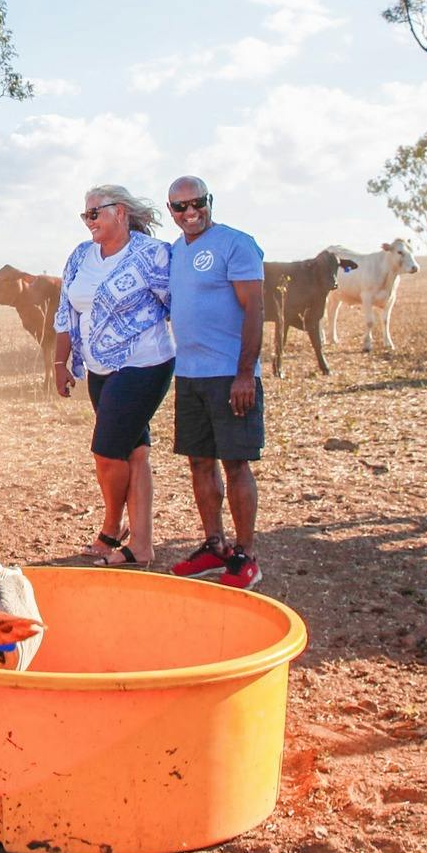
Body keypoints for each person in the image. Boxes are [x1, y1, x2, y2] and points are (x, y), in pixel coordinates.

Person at [51, 184, 175, 567]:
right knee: (134, 453)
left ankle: (111, 528)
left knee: (106, 452)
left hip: (144, 363)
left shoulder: (152, 255)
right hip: (98, 368)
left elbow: (177, 303)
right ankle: (142, 545)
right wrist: (60, 363)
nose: (89, 222)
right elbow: (64, 312)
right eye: (85, 216)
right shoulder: (81, 256)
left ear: (119, 212)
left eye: (94, 214)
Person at [164, 176, 266, 589]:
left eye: (197, 203)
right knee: (199, 461)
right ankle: (213, 544)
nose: (190, 213)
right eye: (179, 207)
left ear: (210, 201)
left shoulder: (236, 244)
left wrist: (246, 373)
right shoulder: (174, 252)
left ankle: (245, 555)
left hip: (230, 375)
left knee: (235, 462)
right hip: (189, 375)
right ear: (170, 211)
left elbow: (255, 308)